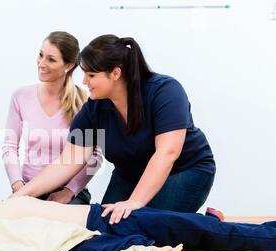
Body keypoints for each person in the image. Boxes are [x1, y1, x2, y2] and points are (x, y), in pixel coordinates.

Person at [12, 34, 216, 224]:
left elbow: (167, 153)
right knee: (104, 226)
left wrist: (134, 201)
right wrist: (19, 197)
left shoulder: (165, 91)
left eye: (91, 75)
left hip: (185, 170)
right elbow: (68, 162)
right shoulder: (95, 107)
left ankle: (211, 222)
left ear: (116, 73)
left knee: (145, 225)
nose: (84, 82)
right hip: (129, 174)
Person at [0, 196, 276, 251]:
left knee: (200, 227)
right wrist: (138, 247)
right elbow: (66, 243)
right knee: (208, 233)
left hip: (107, 215)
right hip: (111, 225)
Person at [2, 31, 102, 205]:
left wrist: (69, 191)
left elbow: (95, 155)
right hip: (27, 188)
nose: (41, 63)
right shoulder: (20, 96)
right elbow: (9, 146)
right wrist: (19, 186)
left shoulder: (85, 102)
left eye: (51, 59)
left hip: (69, 195)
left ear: (69, 65)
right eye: (41, 55)